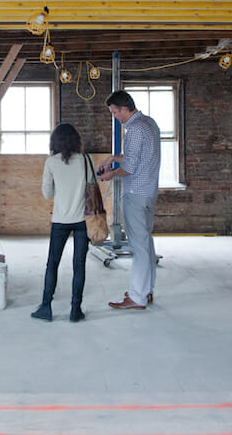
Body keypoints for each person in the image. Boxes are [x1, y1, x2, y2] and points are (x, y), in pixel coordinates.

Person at [97, 90, 161, 311]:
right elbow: (138, 158)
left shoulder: (133, 130)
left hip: (134, 193)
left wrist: (111, 174)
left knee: (139, 246)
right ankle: (146, 290)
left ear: (125, 109)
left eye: (115, 112)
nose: (115, 117)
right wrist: (114, 158)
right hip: (149, 191)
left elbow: (130, 167)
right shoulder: (149, 124)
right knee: (146, 242)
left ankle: (137, 297)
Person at [32, 123, 90, 323]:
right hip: (82, 220)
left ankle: (46, 307)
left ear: (54, 142)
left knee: (52, 264)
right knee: (79, 266)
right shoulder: (85, 160)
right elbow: (90, 187)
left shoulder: (52, 163)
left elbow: (47, 193)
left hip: (60, 221)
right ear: (76, 141)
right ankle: (75, 310)